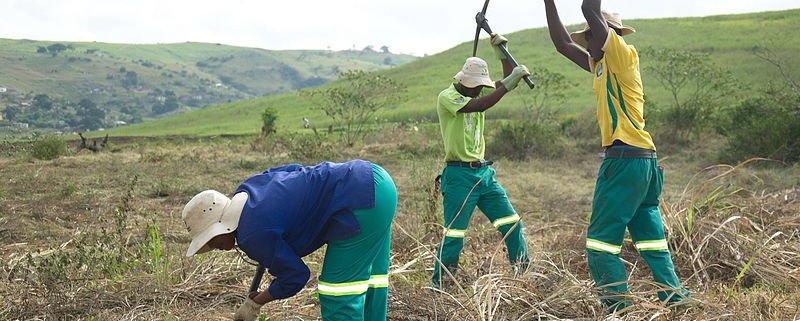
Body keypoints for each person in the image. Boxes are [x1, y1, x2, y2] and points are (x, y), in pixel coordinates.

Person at [543, 0, 690, 312]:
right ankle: (676, 301)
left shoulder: (622, 55)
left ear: (606, 34)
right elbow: (561, 44)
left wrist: (594, 18)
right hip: (643, 164)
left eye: (592, 36)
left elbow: (589, 9)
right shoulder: (600, 66)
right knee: (652, 242)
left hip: (624, 162)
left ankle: (618, 309)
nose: (588, 43)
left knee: (600, 246)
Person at [180, 160, 397, 321]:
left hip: (358, 202)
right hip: (375, 180)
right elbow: (292, 170)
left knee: (338, 293)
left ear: (221, 224)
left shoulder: (251, 235)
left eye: (211, 239)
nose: (213, 247)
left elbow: (296, 276)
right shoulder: (249, 189)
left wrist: (256, 302)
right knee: (373, 281)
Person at [432, 33, 532, 288]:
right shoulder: (448, 97)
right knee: (454, 235)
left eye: (480, 87)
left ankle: (523, 277)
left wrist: (503, 53)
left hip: (484, 176)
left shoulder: (476, 94)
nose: (478, 90)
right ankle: (441, 285)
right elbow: (479, 105)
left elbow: (500, 87)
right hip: (459, 177)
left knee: (511, 224)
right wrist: (509, 83)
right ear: (463, 81)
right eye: (475, 86)